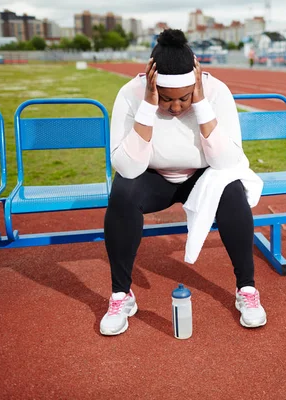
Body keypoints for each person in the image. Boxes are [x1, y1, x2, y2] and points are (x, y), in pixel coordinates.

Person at [100, 28, 267, 336]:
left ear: (196, 84)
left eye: (183, 99)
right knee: (122, 192)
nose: (176, 108)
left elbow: (227, 162)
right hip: (153, 178)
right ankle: (121, 295)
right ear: (151, 84)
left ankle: (247, 289)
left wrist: (202, 105)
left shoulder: (216, 92)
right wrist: (149, 109)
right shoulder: (130, 94)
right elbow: (126, 166)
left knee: (232, 190)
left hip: (202, 176)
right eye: (166, 99)